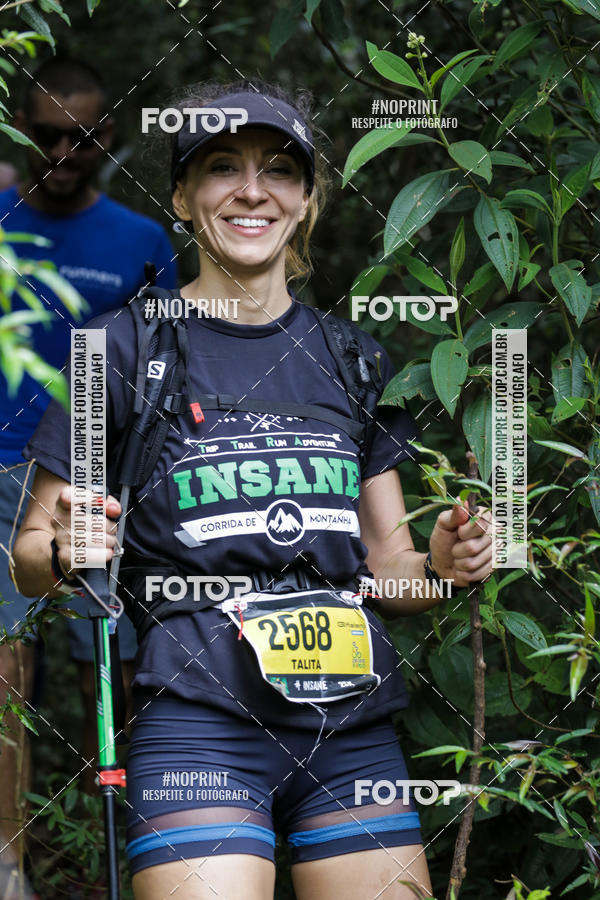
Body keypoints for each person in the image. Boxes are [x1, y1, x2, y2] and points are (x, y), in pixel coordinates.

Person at [13, 79, 493, 899]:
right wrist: (63, 549)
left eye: (278, 169)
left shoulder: (352, 357)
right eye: (221, 167)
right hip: (197, 726)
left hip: (352, 730)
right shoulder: (116, 349)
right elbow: (27, 558)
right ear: (181, 197)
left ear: (305, 200)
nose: (251, 190)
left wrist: (443, 569)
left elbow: (391, 573)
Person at [0, 54, 178, 841]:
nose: (63, 153)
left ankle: (126, 844)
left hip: (98, 477)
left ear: (107, 134)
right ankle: (10, 860)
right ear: (20, 131)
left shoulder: (143, 240)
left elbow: (171, 362)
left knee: (111, 661)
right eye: (46, 135)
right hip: (3, 466)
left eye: (81, 136)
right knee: (6, 662)